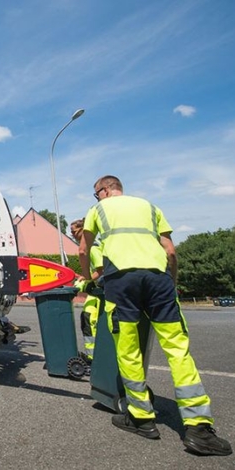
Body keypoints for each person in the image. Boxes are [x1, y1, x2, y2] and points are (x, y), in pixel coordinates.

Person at [78, 175, 231, 457]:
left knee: (128, 348)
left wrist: (88, 279)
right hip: (158, 279)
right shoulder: (151, 207)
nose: (96, 198)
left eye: (96, 193)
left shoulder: (98, 210)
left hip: (121, 281)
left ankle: (141, 418)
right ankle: (199, 428)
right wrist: (170, 283)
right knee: (177, 348)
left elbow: (84, 249)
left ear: (105, 190)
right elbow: (170, 252)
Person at [70, 218, 102, 363]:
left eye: (74, 232)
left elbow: (102, 270)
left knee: (89, 319)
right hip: (97, 291)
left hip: (99, 292)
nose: (73, 235)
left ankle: (93, 357)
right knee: (88, 320)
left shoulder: (93, 248)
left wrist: (88, 279)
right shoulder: (92, 246)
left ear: (82, 230)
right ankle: (93, 355)